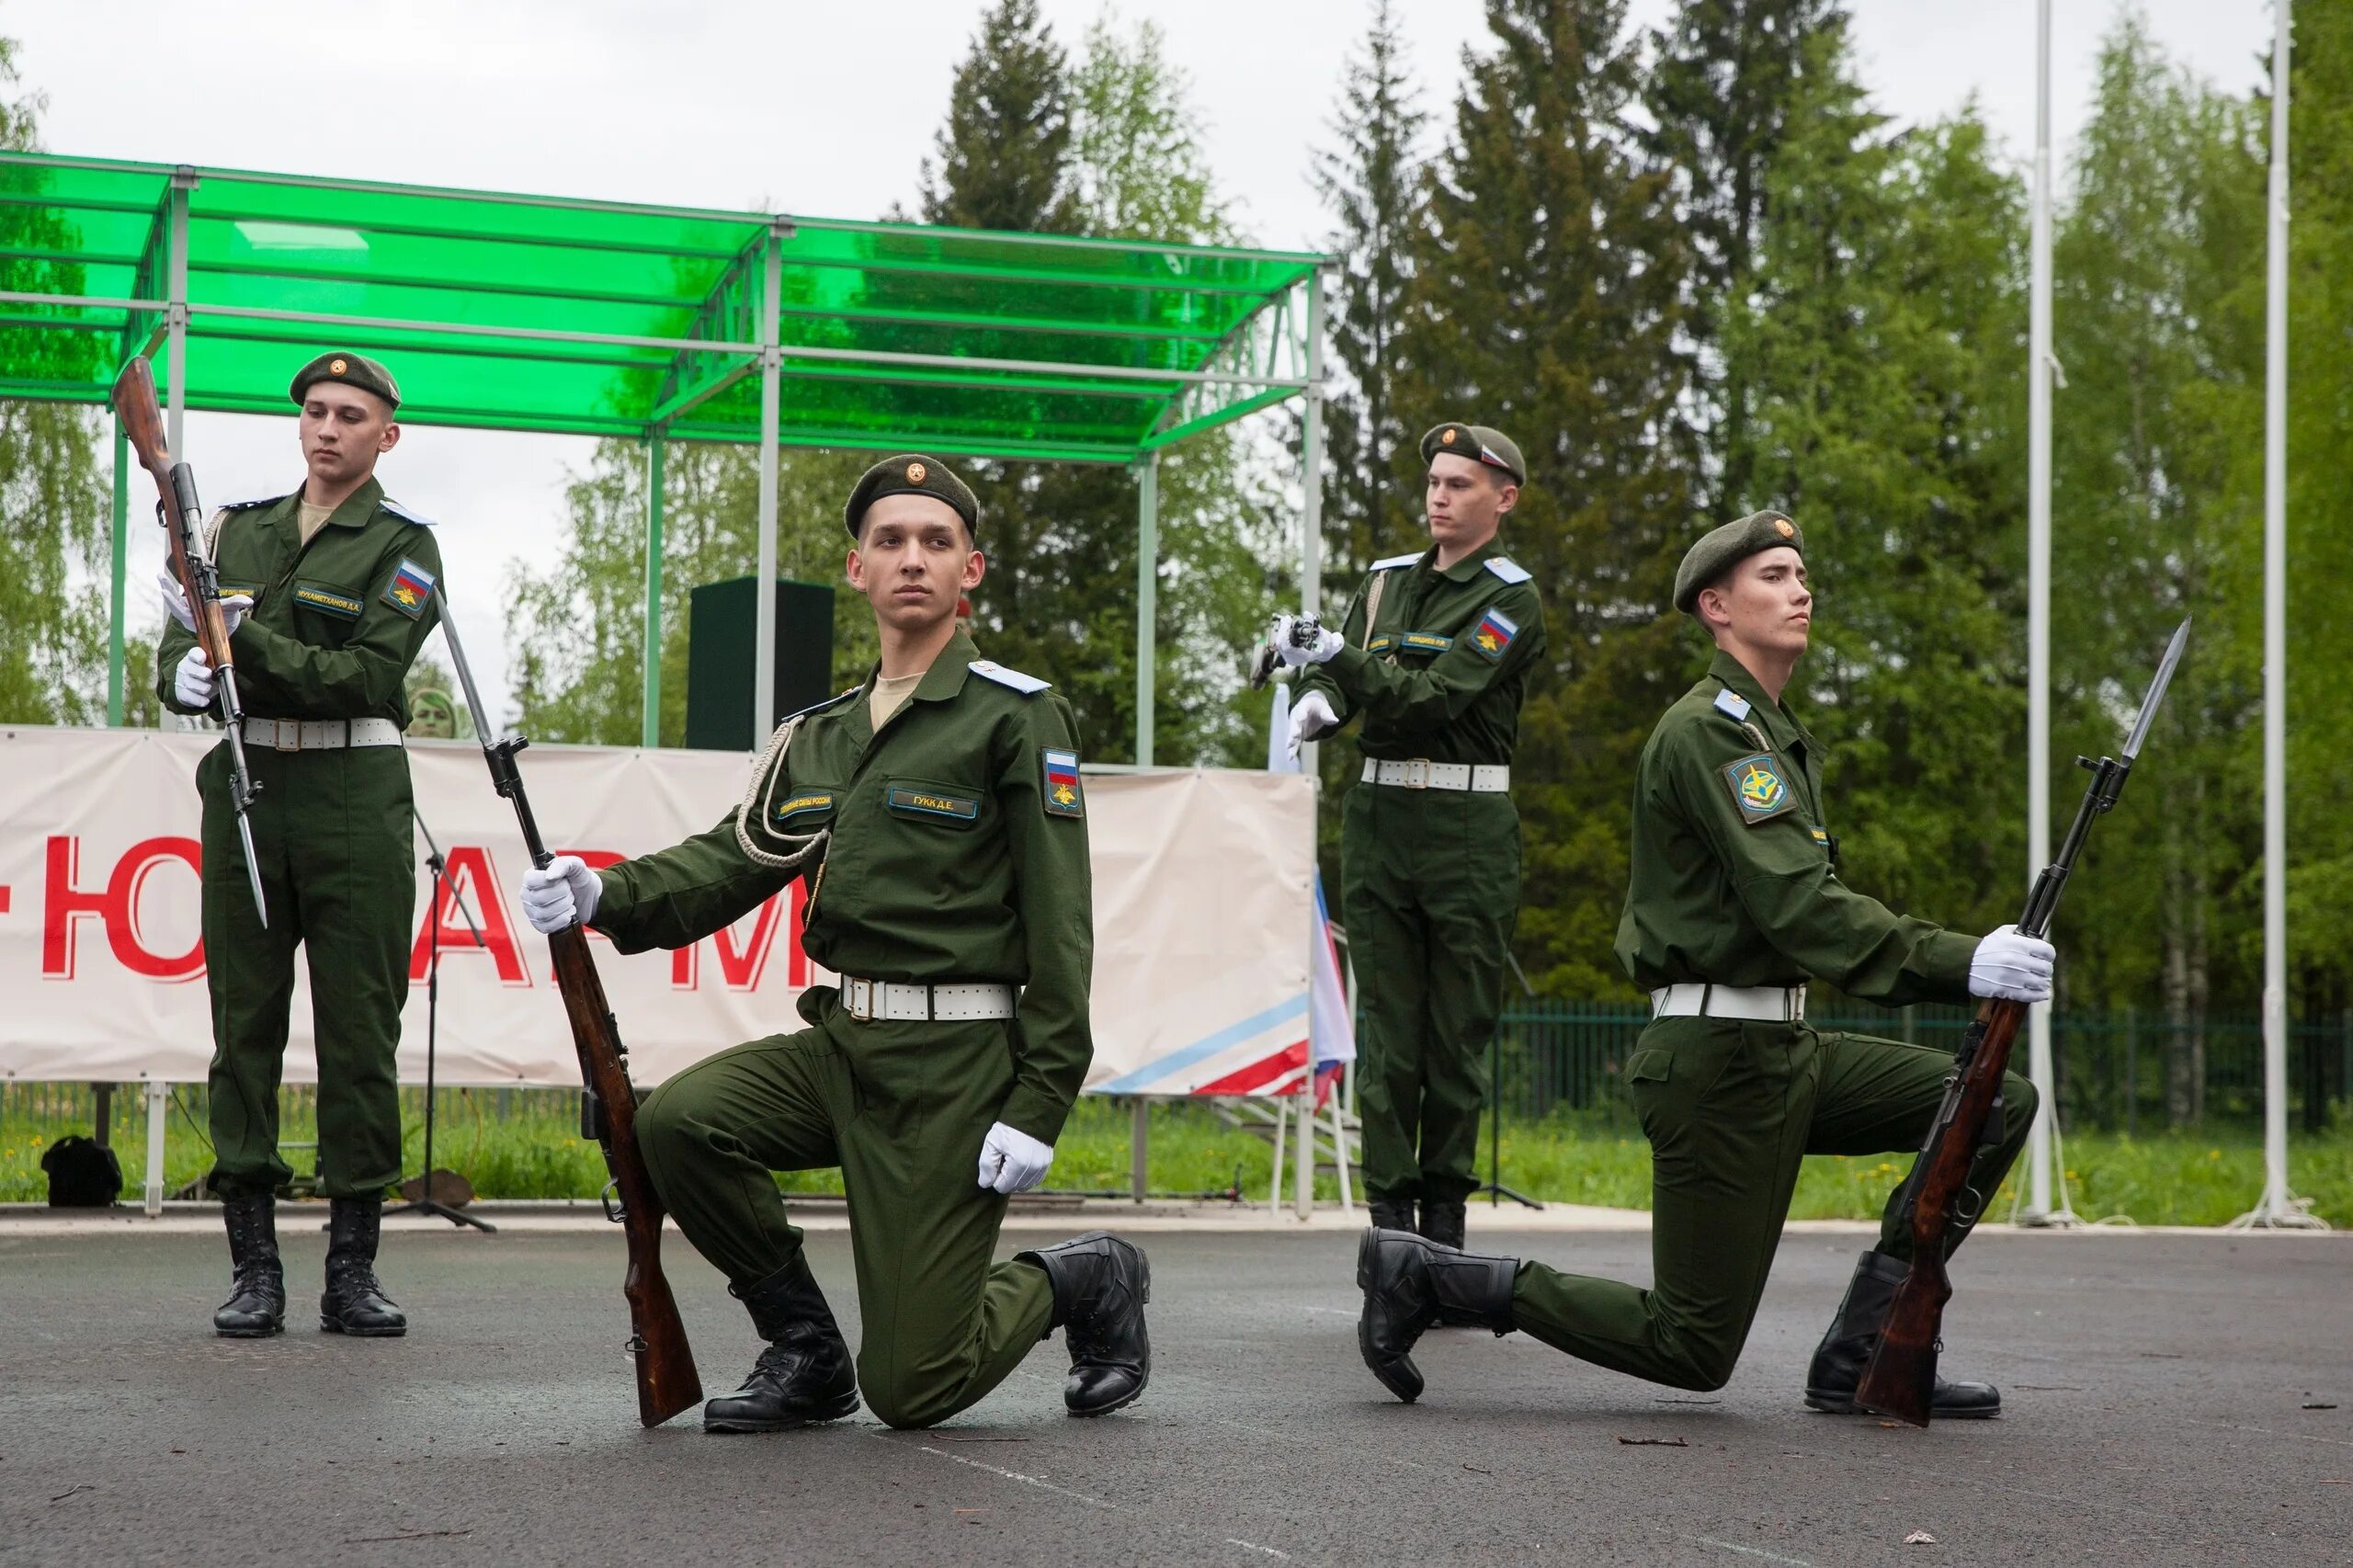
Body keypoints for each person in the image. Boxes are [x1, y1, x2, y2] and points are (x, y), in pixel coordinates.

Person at [1357, 511, 2052, 1417]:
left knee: (1993, 1100)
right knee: (1688, 1345)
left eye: (1802, 573)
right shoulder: (1711, 733)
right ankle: (1438, 1276)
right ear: (1716, 606)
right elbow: (1803, 908)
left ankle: (1866, 1343)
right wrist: (1969, 961)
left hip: (1783, 1048)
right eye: (1774, 574)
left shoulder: (1771, 731)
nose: (1800, 589)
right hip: (1714, 1061)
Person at [516, 454, 1150, 1432]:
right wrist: (606, 892)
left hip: (955, 1069)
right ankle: (807, 1349)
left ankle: (1079, 1279)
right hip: (843, 1044)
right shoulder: (817, 734)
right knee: (679, 1121)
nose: (912, 559)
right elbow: (731, 859)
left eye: (936, 542)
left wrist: (1040, 1097)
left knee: (915, 1389)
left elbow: (1061, 922)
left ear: (969, 571)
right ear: (856, 568)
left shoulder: (1014, 715)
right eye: (890, 540)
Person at [156, 350, 442, 1340]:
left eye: (349, 414)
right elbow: (179, 636)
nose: (327, 427)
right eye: (316, 410)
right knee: (243, 1025)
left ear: (385, 435)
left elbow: (365, 674)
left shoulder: (406, 546)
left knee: (361, 1030)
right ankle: (256, 1269)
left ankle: (351, 1270)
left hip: (355, 792)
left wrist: (238, 641)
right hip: (248, 784)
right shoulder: (236, 529)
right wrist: (183, 671)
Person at [1278, 421, 1547, 1250]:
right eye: (1434, 480)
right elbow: (1350, 672)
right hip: (1382, 819)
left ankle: (1446, 1234)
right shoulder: (1386, 583)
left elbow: (1436, 696)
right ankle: (1393, 1236)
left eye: (1459, 484)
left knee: (1454, 1037)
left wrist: (1341, 664)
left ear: (1502, 499)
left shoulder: (1511, 599)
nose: (1439, 494)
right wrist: (1320, 695)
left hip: (1467, 826)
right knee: (1388, 1036)